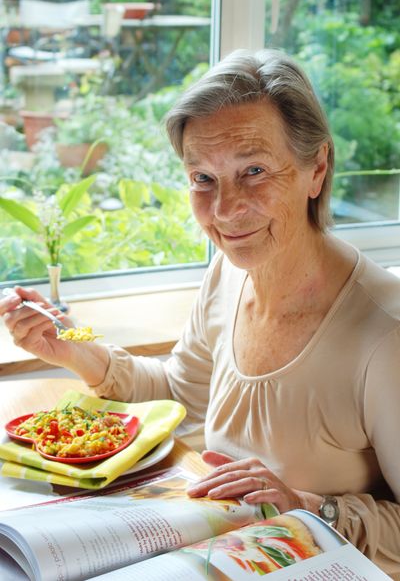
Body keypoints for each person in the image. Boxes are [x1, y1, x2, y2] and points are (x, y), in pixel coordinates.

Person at [1, 49, 400, 578]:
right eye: (202, 179)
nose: (224, 211)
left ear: (317, 168)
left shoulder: (385, 333)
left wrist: (306, 505)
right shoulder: (229, 274)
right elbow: (178, 397)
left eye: (253, 170)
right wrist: (70, 349)